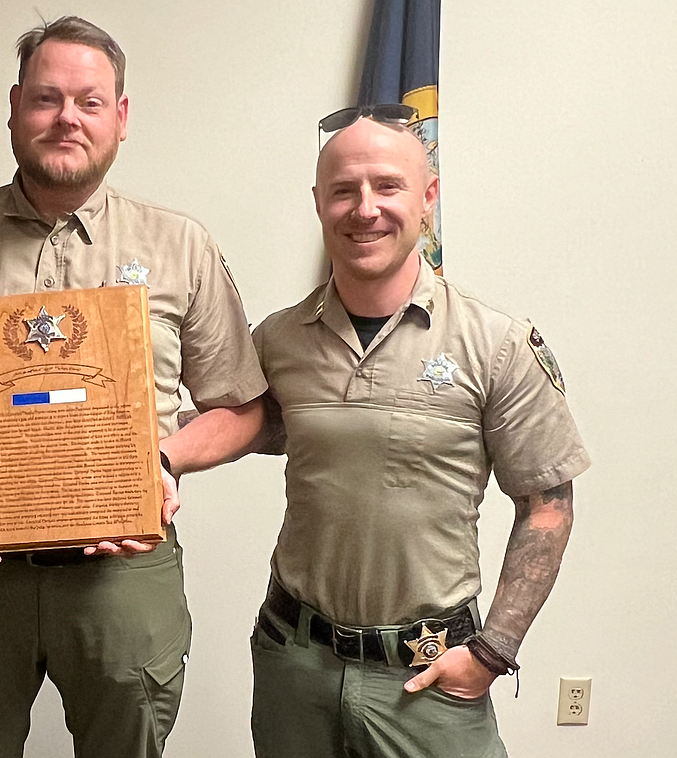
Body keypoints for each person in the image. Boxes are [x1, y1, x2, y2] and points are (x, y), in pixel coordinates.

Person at [0, 16, 267, 758]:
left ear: (121, 117)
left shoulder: (179, 244)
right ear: (15, 107)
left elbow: (242, 409)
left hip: (123, 571)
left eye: (88, 101)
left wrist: (165, 463)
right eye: (46, 99)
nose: (66, 119)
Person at [161, 109, 591, 758]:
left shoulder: (495, 343)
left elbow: (548, 504)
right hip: (294, 666)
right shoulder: (280, 340)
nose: (365, 208)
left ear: (428, 198)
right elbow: (236, 422)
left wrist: (494, 650)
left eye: (388, 186)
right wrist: (126, 453)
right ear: (319, 203)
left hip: (428, 676)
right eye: (344, 189)